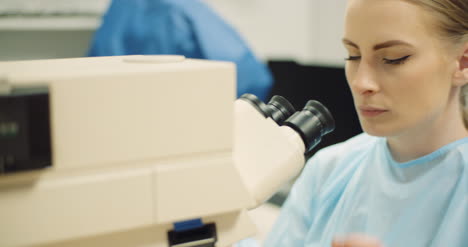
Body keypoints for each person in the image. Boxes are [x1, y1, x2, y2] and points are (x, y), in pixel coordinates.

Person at [237, 0, 468, 246]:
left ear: (463, 61)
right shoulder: (329, 170)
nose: (361, 82)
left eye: (393, 58)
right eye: (353, 55)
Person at [88, 0, 273, 101]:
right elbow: (251, 78)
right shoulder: (180, 8)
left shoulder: (118, 10)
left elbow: (92, 77)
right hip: (185, 123)